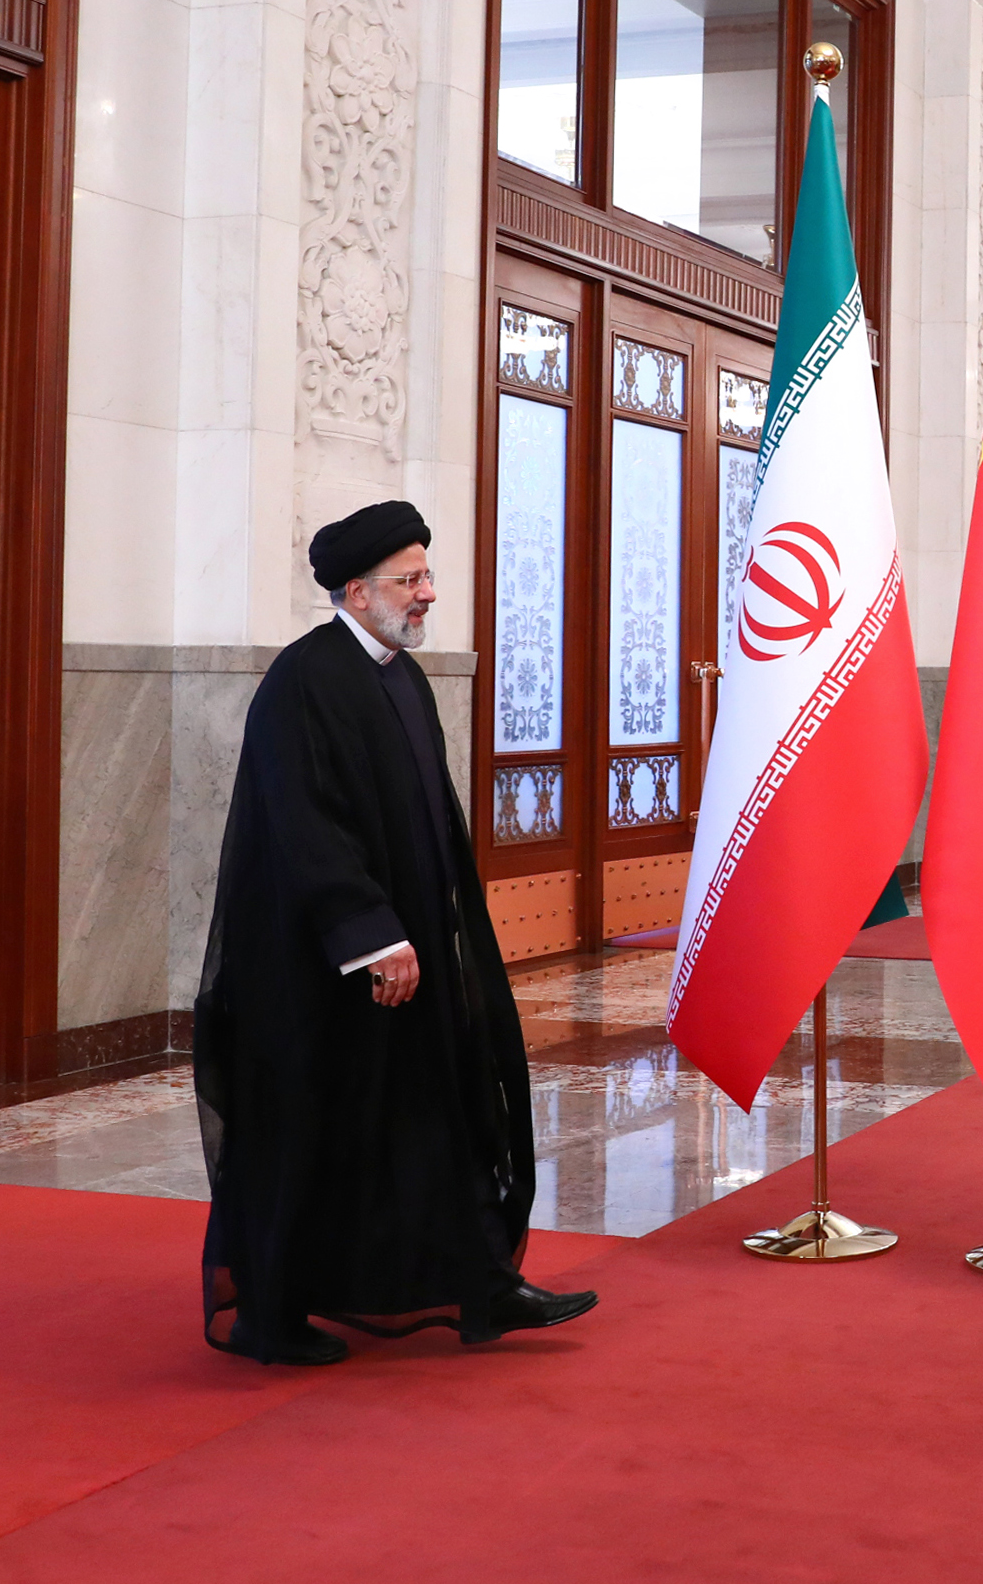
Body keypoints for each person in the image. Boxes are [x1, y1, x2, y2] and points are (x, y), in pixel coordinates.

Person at [195, 500, 597, 1364]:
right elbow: (305, 825)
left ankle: (482, 1282)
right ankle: (272, 1314)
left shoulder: (402, 677)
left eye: (426, 575)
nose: (428, 593)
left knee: (436, 1113)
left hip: (409, 958)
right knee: (314, 1133)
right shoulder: (303, 682)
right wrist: (372, 937)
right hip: (321, 972)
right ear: (357, 591)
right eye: (410, 580)